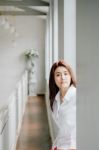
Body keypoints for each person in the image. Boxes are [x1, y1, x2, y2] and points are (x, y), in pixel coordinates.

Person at [49, 60, 76, 150]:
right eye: (58, 75)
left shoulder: (77, 96)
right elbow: (62, 129)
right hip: (60, 146)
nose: (62, 77)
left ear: (71, 76)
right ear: (53, 79)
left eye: (65, 73)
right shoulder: (55, 100)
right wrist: (55, 145)